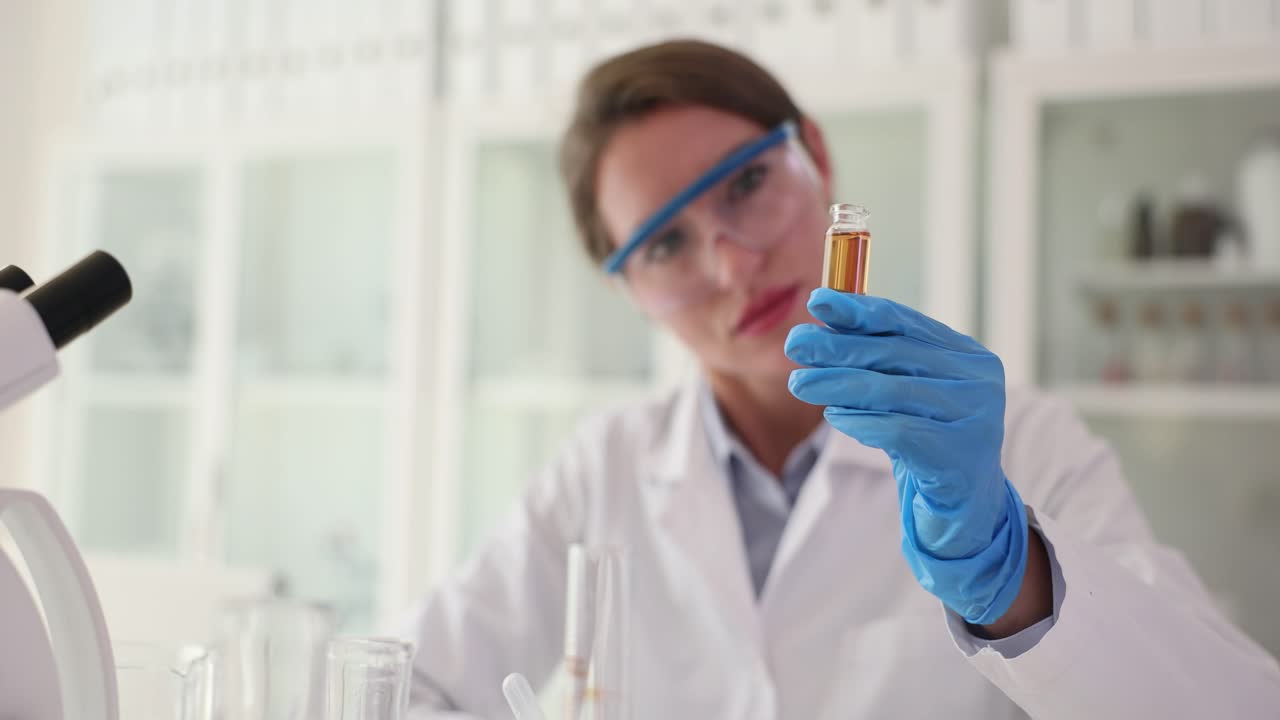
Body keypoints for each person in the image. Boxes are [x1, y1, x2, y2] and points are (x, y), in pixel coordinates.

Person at [404, 41, 1280, 718]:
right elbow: (414, 686)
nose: (732, 262)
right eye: (665, 243)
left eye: (746, 184)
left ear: (814, 156)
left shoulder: (1019, 443)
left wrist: (1016, 583)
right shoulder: (602, 471)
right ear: (627, 291)